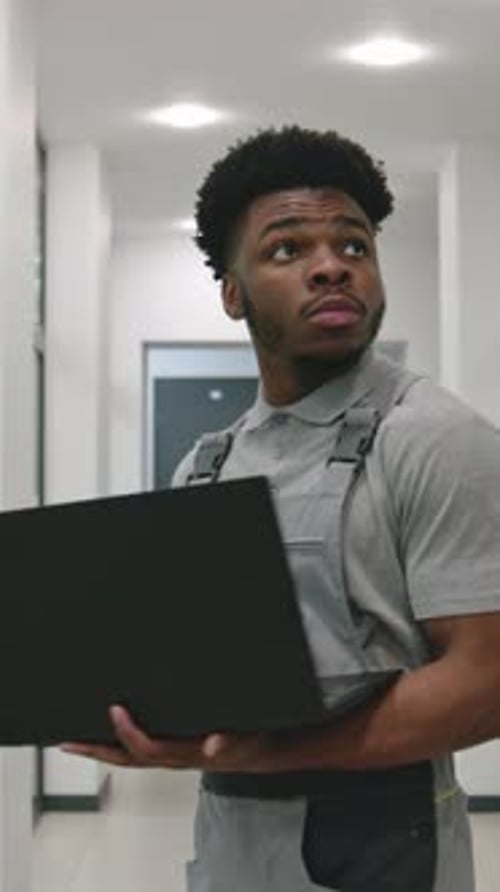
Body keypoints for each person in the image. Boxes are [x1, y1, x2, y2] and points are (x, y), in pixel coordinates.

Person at [63, 125, 500, 891]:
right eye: (287, 249)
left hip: (385, 844)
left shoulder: (434, 437)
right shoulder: (209, 464)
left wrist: (256, 752)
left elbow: (486, 686)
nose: (331, 267)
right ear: (232, 294)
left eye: (354, 246)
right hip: (232, 840)